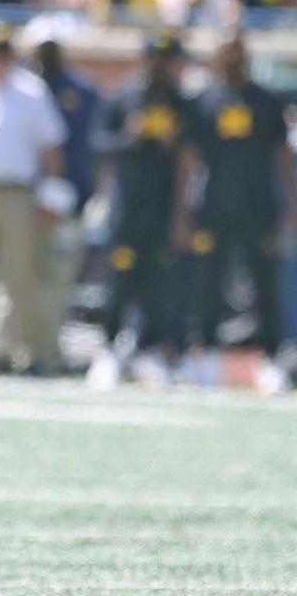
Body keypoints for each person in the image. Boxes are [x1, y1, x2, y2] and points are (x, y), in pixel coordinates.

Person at [176, 33, 297, 392]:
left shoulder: (266, 101)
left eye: (237, 53)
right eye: (226, 53)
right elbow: (189, 159)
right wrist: (183, 210)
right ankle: (208, 357)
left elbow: (282, 156)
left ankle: (272, 358)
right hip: (214, 206)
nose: (232, 60)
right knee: (209, 282)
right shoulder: (204, 101)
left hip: (258, 206)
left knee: (264, 283)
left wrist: (292, 203)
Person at [87, 33, 196, 389]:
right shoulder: (123, 96)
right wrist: (128, 138)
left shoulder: (181, 103)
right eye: (157, 59)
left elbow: (190, 157)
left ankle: (151, 350)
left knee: (158, 283)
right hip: (127, 207)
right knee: (118, 281)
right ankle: (109, 350)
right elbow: (99, 142)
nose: (162, 67)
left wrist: (172, 143)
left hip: (162, 208)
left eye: (168, 60)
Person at [0, 31, 71, 374]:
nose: (0, 58)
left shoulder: (32, 91)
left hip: (18, 194)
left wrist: (50, 194)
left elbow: (51, 150)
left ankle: (28, 353)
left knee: (21, 275)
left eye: (5, 51)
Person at [25, 14, 102, 373]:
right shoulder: (20, 87)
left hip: (66, 195)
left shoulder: (82, 91)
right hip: (23, 196)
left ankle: (48, 349)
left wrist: (74, 191)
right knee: (22, 275)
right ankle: (24, 349)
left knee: (58, 275)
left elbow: (87, 148)